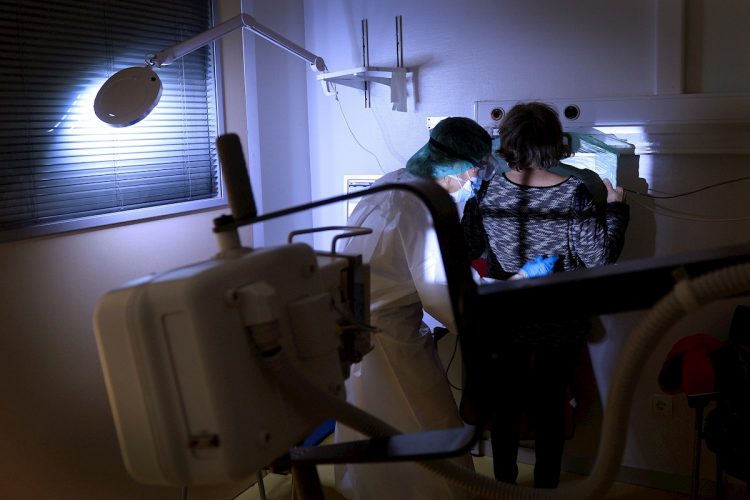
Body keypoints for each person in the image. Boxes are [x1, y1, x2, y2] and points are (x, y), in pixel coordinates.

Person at [460, 102, 630, 488]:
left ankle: (502, 486)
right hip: (558, 320)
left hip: (506, 317)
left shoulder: (486, 193)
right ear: (555, 143)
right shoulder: (573, 195)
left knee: (505, 408)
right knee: (552, 407)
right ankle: (546, 490)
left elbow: (470, 246)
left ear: (508, 142)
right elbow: (599, 257)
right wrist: (617, 211)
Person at [333, 116, 494, 500]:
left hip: (355, 324)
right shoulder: (423, 205)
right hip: (387, 336)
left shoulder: (393, 180)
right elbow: (439, 290)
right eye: (473, 170)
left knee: (370, 427)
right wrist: (495, 309)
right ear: (459, 165)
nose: (473, 180)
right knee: (430, 426)